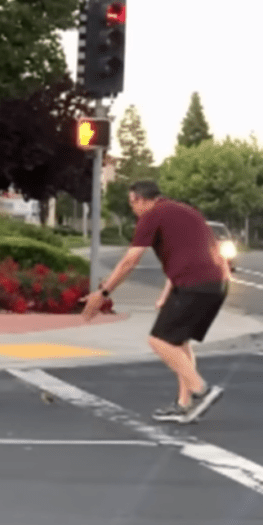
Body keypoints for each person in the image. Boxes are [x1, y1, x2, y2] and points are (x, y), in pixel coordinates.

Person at [80, 180, 230, 423]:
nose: (133, 210)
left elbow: (130, 261)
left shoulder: (152, 215)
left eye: (132, 204)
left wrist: (103, 293)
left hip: (194, 284)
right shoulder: (187, 212)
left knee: (158, 340)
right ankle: (184, 404)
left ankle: (202, 391)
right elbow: (193, 254)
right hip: (216, 284)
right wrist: (167, 292)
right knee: (178, 341)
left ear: (140, 199)